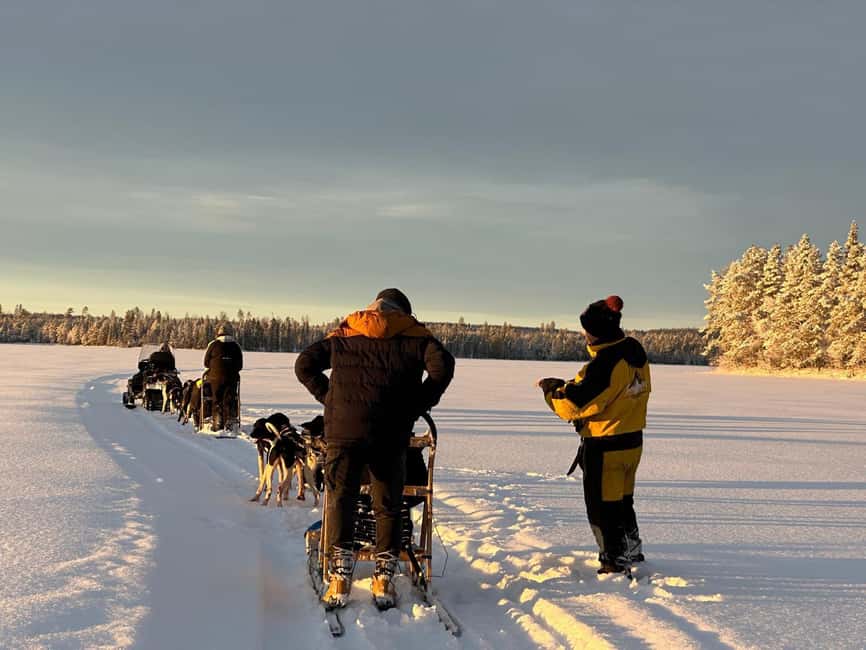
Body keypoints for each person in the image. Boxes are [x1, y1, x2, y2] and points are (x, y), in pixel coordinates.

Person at [295, 288, 455, 610]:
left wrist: (330, 399)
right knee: (388, 504)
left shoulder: (346, 332)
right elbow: (443, 367)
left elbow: (304, 365)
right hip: (390, 432)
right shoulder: (415, 336)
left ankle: (340, 576)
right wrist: (415, 405)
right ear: (404, 312)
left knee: (342, 498)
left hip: (344, 431)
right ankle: (384, 576)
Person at [537, 295, 651, 574]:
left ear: (597, 332)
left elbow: (575, 404)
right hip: (632, 441)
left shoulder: (606, 362)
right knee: (623, 501)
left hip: (606, 444)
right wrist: (567, 385)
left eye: (586, 330)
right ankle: (631, 549)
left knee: (603, 505)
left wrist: (551, 391)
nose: (584, 335)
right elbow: (596, 388)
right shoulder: (632, 351)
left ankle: (613, 560)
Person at [203, 322, 243, 431]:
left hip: (214, 377)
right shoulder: (236, 346)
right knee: (230, 398)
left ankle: (217, 421)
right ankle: (230, 419)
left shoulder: (213, 344)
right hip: (232, 377)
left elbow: (206, 363)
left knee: (216, 399)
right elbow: (240, 365)